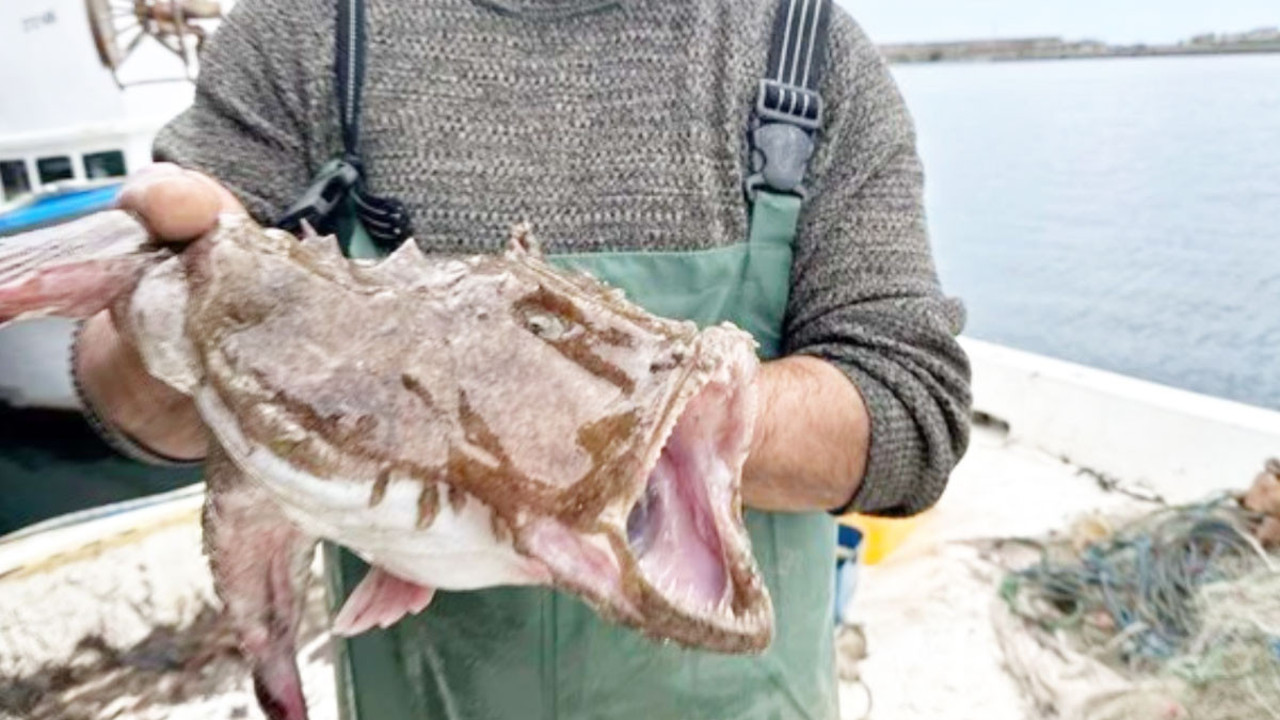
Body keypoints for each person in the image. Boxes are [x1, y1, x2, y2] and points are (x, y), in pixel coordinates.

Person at [70, 0, 972, 717]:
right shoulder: (303, 33)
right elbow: (131, 405)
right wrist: (182, 328)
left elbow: (912, 414)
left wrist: (599, 422)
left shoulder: (808, 49)